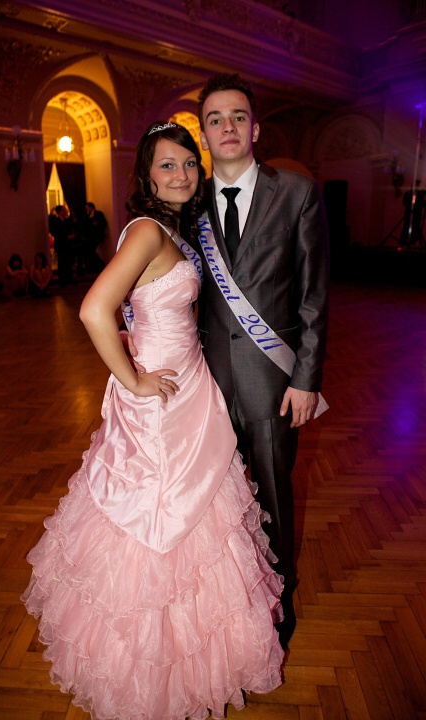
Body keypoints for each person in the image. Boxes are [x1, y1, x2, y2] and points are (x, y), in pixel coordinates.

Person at [21, 121, 284, 720]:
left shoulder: (170, 228)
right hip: (163, 397)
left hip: (187, 385)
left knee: (196, 514)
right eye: (167, 164)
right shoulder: (147, 230)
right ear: (146, 175)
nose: (182, 174)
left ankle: (186, 656)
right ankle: (149, 666)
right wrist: (134, 379)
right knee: (161, 517)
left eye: (189, 163)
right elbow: (94, 309)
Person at [197, 73, 330, 650]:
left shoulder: (296, 194)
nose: (227, 126)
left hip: (273, 381)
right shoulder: (188, 199)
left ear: (254, 129)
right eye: (215, 119)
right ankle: (229, 598)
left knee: (272, 492)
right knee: (214, 496)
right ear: (204, 134)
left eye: (237, 116)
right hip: (204, 383)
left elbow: (314, 296)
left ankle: (280, 595)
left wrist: (306, 379)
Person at [52, 205, 75, 286]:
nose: (65, 211)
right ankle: (62, 280)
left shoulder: (67, 221)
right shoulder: (55, 221)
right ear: (59, 212)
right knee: (62, 263)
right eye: (63, 210)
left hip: (68, 245)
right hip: (61, 245)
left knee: (69, 262)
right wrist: (66, 237)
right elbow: (55, 233)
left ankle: (70, 278)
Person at [84, 201, 107, 272]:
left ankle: (100, 264)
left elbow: (104, 223)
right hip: (90, 237)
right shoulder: (87, 216)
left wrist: (97, 224)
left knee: (91, 251)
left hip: (97, 236)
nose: (86, 209)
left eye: (87, 207)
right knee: (90, 251)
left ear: (91, 207)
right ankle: (95, 266)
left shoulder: (98, 214)